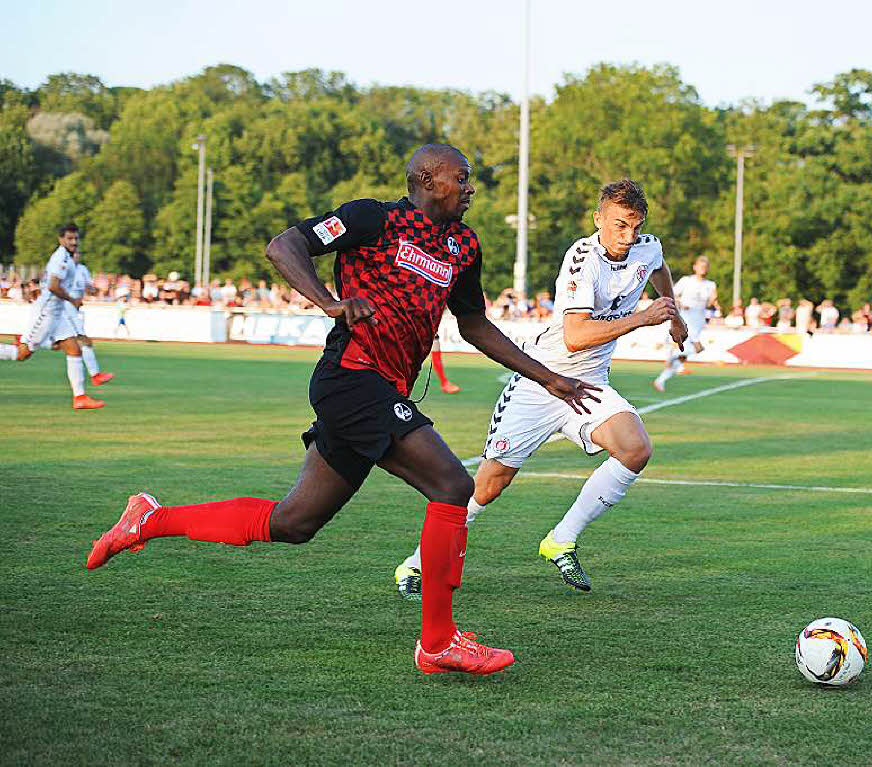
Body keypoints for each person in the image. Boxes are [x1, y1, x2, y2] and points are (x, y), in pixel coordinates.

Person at [85, 144, 598, 676]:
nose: (470, 188)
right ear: (427, 178)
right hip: (350, 378)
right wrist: (330, 301)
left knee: (294, 521)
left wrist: (548, 376)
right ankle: (438, 643)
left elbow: (473, 324)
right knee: (452, 485)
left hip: (382, 390)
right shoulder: (372, 218)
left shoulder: (463, 245)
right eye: (461, 178)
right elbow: (284, 246)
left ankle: (149, 520)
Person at [395, 179, 688, 596]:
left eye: (635, 227)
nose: (628, 237)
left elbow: (658, 266)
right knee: (488, 485)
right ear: (598, 218)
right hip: (543, 380)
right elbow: (575, 336)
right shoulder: (581, 259)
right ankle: (414, 564)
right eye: (620, 225)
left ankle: (561, 540)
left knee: (635, 447)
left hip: (587, 385)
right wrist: (643, 318)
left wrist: (673, 314)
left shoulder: (647, 245)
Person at [0, 224, 105, 409]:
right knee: (22, 354)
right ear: (61, 239)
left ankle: (79, 398)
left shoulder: (68, 258)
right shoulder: (61, 258)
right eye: (70, 238)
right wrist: (72, 300)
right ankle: (79, 396)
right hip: (46, 313)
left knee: (74, 349)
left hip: (57, 313)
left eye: (76, 238)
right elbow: (53, 286)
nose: (74, 242)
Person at [653, 254, 715, 390]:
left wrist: (713, 302)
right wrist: (680, 303)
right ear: (695, 267)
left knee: (683, 356)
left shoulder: (710, 285)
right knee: (698, 348)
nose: (703, 269)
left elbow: (711, 301)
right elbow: (672, 294)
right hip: (687, 318)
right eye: (701, 266)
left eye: (705, 267)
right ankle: (673, 356)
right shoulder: (687, 281)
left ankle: (661, 380)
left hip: (699, 319)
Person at [66, 249, 114, 385]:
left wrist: (98, 287)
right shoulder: (62, 270)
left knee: (61, 342)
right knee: (84, 341)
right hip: (66, 308)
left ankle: (25, 341)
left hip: (76, 309)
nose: (78, 256)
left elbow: (89, 287)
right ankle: (95, 375)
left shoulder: (82, 269)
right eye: (75, 254)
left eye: (79, 254)